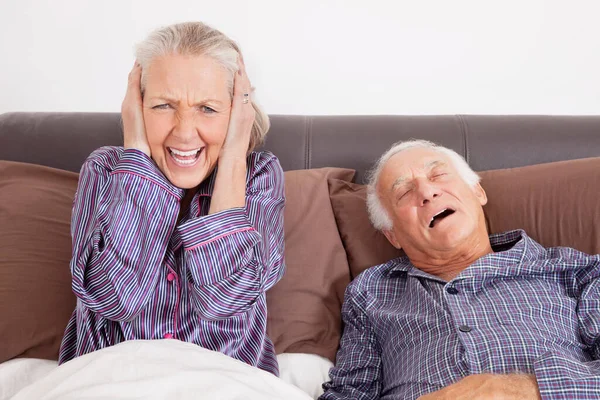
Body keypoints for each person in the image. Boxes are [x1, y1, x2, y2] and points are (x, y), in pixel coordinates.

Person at [58, 22, 285, 376]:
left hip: (227, 383)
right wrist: (136, 150)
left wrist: (233, 158)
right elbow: (114, 297)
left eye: (207, 109)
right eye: (163, 105)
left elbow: (226, 299)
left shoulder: (259, 175)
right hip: (111, 381)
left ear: (237, 113)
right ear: (137, 106)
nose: (183, 131)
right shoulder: (104, 169)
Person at [320, 140, 600, 399]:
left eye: (438, 175)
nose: (428, 192)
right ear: (392, 235)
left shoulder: (575, 270)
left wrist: (523, 390)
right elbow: (350, 393)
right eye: (405, 192)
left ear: (477, 191)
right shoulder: (371, 291)